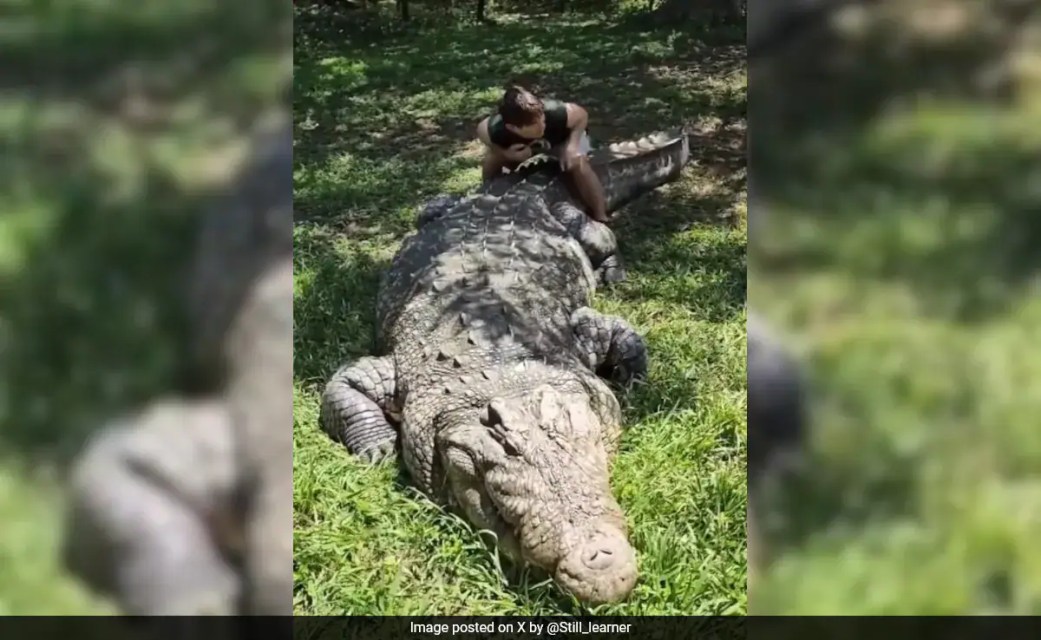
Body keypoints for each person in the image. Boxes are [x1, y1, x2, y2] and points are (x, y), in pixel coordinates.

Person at [476, 86, 609, 223]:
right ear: (513, 128)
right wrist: (506, 154)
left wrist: (572, 145)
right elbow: (482, 131)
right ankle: (486, 196)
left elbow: (581, 115)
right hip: (525, 147)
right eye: (534, 124)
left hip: (562, 139)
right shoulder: (497, 129)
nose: (542, 126)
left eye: (542, 119)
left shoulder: (554, 112)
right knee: (493, 159)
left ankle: (600, 213)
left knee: (578, 163)